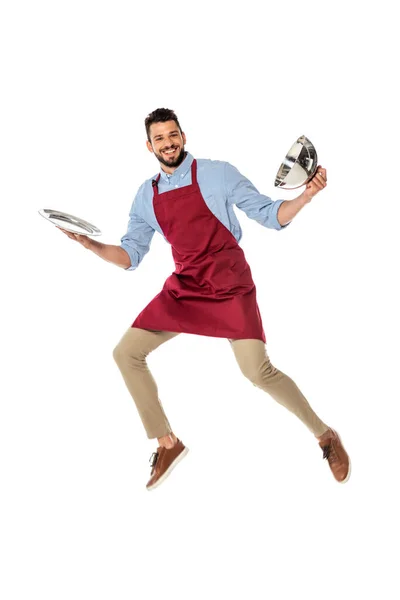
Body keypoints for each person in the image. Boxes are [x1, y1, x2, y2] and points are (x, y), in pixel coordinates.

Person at [59, 108, 351, 491]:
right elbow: (130, 256)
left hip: (230, 285)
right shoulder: (145, 196)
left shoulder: (218, 173)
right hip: (187, 287)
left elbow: (270, 214)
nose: (168, 142)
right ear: (149, 146)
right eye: (160, 138)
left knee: (256, 372)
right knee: (126, 353)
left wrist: (307, 196)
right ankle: (167, 442)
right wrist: (90, 244)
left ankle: (325, 435)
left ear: (183, 136)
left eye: (173, 134)